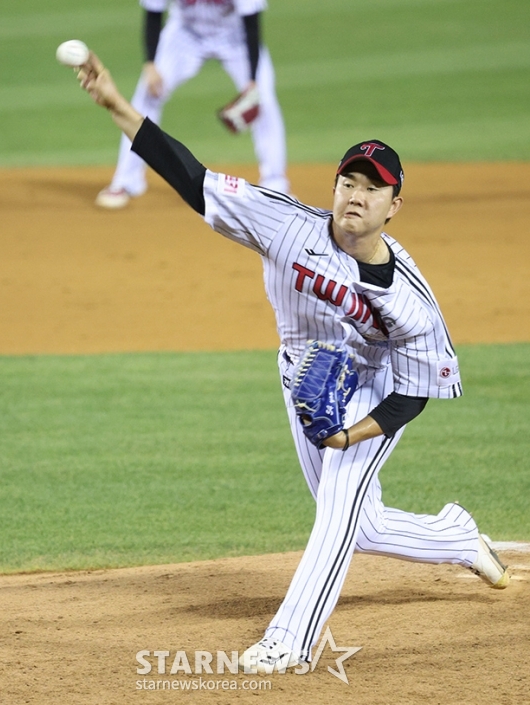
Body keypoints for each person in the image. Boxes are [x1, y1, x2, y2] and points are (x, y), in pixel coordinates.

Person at [76, 53, 510, 674]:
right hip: (303, 383)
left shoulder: (412, 304)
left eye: (373, 188)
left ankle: (290, 641)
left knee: (337, 506)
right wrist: (117, 105)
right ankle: (457, 536)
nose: (357, 196)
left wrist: (348, 435)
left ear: (395, 205)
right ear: (334, 186)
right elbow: (190, 175)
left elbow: (412, 395)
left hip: (374, 388)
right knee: (361, 523)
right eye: (349, 183)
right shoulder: (283, 224)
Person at [95, 0, 290, 209]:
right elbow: (153, 12)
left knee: (263, 99)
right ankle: (126, 180)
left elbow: (252, 24)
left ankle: (275, 183)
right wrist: (150, 64)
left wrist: (252, 81)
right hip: (185, 35)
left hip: (235, 37)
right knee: (147, 94)